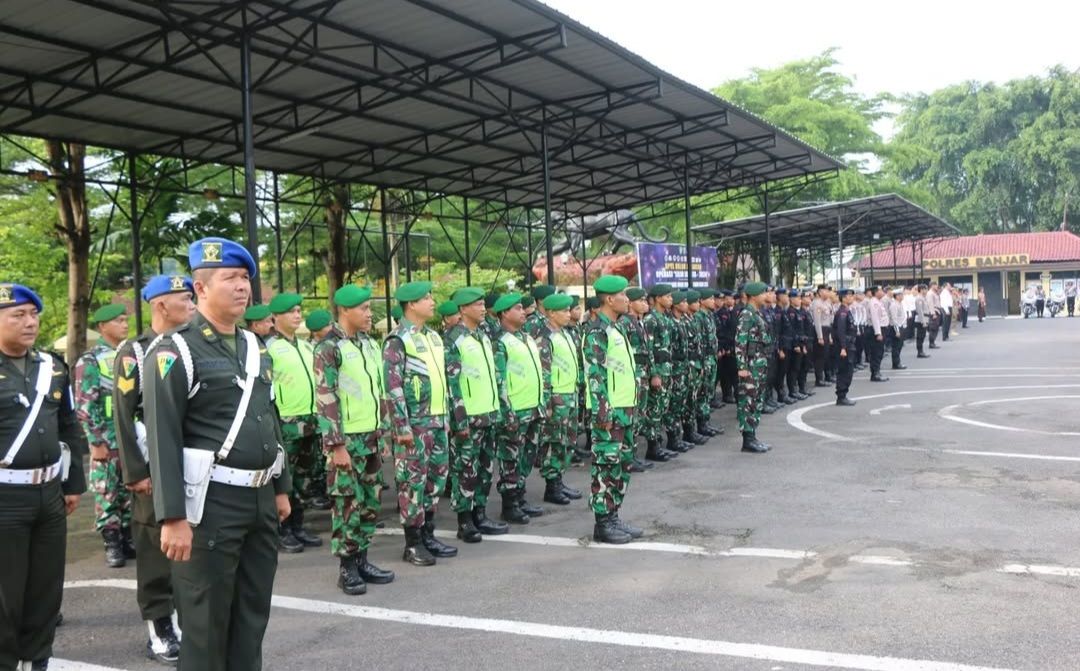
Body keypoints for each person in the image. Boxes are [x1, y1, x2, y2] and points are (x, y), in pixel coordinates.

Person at [144, 237, 292, 671]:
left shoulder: (253, 345)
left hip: (259, 499)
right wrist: (172, 517)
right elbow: (162, 436)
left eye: (245, 278)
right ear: (201, 289)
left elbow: (269, 418)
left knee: (251, 617)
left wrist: (281, 489)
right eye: (231, 278)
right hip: (208, 504)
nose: (243, 287)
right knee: (206, 624)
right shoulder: (175, 351)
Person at [0, 284, 87, 671]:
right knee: (5, 592)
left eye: (33, 314)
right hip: (4, 497)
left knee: (45, 587)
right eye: (17, 315)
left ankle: (37, 659)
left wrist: (73, 484)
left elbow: (68, 425)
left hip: (49, 493)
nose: (29, 322)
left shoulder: (52, 367)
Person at [113, 275, 193, 664]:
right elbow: (125, 418)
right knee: (154, 548)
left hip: (190, 466)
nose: (193, 303)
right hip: (151, 468)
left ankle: (185, 619)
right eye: (185, 297)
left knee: (190, 547)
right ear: (161, 305)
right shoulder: (135, 352)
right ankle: (160, 625)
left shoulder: (190, 344)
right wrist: (137, 472)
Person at [313, 284, 395, 594]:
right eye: (363, 308)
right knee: (347, 503)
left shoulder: (368, 344)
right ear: (345, 311)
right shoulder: (328, 347)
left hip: (371, 437)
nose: (369, 313)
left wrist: (383, 430)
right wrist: (337, 445)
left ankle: (362, 558)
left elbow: (379, 391)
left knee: (370, 503)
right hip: (347, 442)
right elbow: (326, 397)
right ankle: (346, 567)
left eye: (369, 308)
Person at [383, 280, 456, 565]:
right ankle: (412, 544)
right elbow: (393, 387)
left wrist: (446, 417)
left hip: (437, 421)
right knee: (412, 483)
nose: (432, 302)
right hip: (414, 426)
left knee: (435, 481)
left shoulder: (433, 337)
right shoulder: (398, 339)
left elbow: (442, 382)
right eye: (427, 298)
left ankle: (428, 535)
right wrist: (401, 427)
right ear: (411, 305)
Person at [442, 287, 512, 541]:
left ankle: (480, 514)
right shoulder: (453, 339)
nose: (483, 308)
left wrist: (500, 410)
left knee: (484, 469)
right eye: (477, 304)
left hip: (488, 414)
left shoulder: (482, 335)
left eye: (483, 304)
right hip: (469, 418)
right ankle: (464, 520)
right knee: (465, 470)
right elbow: (453, 385)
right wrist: (459, 419)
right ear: (462, 309)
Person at [582, 275, 641, 544]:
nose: (627, 300)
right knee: (606, 466)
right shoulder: (597, 331)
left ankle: (614, 516)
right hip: (610, 413)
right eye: (623, 296)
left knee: (621, 465)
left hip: (625, 410)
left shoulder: (616, 328)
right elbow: (595, 375)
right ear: (609, 299)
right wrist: (603, 411)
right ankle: (603, 523)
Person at [75, 303, 134, 568]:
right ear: (102, 327)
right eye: (119, 320)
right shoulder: (90, 360)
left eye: (125, 319)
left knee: (128, 490)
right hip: (106, 438)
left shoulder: (130, 355)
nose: (125, 324)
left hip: (129, 435)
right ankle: (112, 543)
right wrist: (96, 440)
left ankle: (128, 538)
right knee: (107, 491)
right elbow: (85, 404)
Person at [267, 293, 324, 554]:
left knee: (304, 477)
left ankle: (299, 525)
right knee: (283, 478)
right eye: (292, 311)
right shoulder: (268, 348)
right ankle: (282, 529)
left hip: (310, 420)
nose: (298, 315)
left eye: (299, 310)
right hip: (286, 422)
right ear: (276, 317)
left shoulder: (306, 346)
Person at [491, 293, 546, 524]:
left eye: (523, 308)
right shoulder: (500, 342)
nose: (523, 312)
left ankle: (520, 496)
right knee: (510, 457)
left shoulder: (526, 337)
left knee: (526, 455)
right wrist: (507, 411)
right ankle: (510, 503)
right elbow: (500, 380)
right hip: (515, 410)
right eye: (517, 309)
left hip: (533, 407)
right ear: (504, 314)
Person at [532, 292, 587, 499]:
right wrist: (547, 402)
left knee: (567, 440)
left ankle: (559, 479)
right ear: (551, 313)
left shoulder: (564, 333)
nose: (568, 313)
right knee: (553, 441)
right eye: (564, 310)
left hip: (569, 394)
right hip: (556, 398)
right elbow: (544, 372)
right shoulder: (544, 336)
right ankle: (552, 485)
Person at [618, 288, 655, 471]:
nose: (644, 303)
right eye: (640, 300)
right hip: (634, 375)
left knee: (638, 417)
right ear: (630, 303)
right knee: (631, 417)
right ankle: (627, 458)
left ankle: (632, 455)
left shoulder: (639, 323)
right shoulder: (625, 323)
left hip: (643, 374)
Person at [734, 282, 771, 454]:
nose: (766, 296)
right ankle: (747, 440)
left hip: (759, 365)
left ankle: (753, 436)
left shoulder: (757, 314)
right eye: (763, 293)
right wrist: (742, 366)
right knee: (747, 402)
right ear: (754, 296)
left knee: (756, 401)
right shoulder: (747, 315)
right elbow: (740, 342)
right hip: (750, 366)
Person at [642, 285, 677, 462]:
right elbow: (648, 350)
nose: (671, 299)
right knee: (654, 410)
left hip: (666, 369)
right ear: (656, 299)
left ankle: (658, 443)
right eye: (667, 296)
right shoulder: (651, 320)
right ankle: (652, 447)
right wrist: (654, 374)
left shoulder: (664, 318)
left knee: (661, 408)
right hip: (658, 372)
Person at [833, 289, 857, 407]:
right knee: (844, 371)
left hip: (849, 345)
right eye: (849, 296)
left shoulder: (847, 311)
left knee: (848, 371)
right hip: (845, 346)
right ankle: (841, 397)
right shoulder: (842, 312)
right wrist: (843, 347)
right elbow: (841, 331)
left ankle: (843, 395)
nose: (851, 297)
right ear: (843, 298)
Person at [715, 289, 737, 404]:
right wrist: (723, 348)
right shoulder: (721, 313)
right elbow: (722, 332)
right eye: (727, 298)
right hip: (723, 347)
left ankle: (729, 394)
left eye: (731, 298)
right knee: (723, 373)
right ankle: (726, 394)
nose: (730, 300)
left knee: (730, 372)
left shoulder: (732, 312)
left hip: (730, 347)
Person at [811, 285, 832, 387]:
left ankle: (824, 377)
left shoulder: (827, 303)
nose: (828, 292)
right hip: (821, 330)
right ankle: (819, 379)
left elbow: (829, 320)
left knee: (825, 355)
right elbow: (817, 321)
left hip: (827, 330)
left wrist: (830, 336)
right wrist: (820, 336)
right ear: (820, 292)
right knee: (819, 356)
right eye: (825, 291)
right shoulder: (817, 303)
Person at [867, 287, 888, 382]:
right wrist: (878, 333)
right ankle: (875, 373)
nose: (882, 292)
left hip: (881, 328)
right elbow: (875, 319)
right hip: (877, 330)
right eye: (880, 290)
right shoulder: (873, 303)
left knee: (879, 352)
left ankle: (877, 372)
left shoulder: (878, 302)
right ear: (876, 292)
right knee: (876, 352)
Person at [887, 287, 908, 370]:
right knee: (896, 347)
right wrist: (897, 331)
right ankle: (896, 363)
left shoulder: (899, 304)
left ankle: (897, 362)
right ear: (897, 296)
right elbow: (894, 319)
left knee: (899, 346)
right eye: (901, 295)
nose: (902, 296)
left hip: (901, 327)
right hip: (896, 328)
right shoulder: (894, 305)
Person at [914, 285, 931, 359]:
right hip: (921, 319)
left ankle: (921, 351)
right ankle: (919, 352)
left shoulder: (923, 298)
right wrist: (923, 322)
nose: (926, 291)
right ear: (921, 290)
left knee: (922, 336)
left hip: (925, 318)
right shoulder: (919, 298)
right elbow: (920, 311)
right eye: (925, 289)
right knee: (920, 336)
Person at [926, 283, 942, 349]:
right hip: (934, 311)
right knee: (933, 328)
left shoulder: (935, 293)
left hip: (937, 310)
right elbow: (930, 304)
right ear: (932, 286)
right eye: (935, 285)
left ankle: (933, 342)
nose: (936, 286)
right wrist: (933, 313)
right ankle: (931, 343)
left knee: (936, 328)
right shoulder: (930, 293)